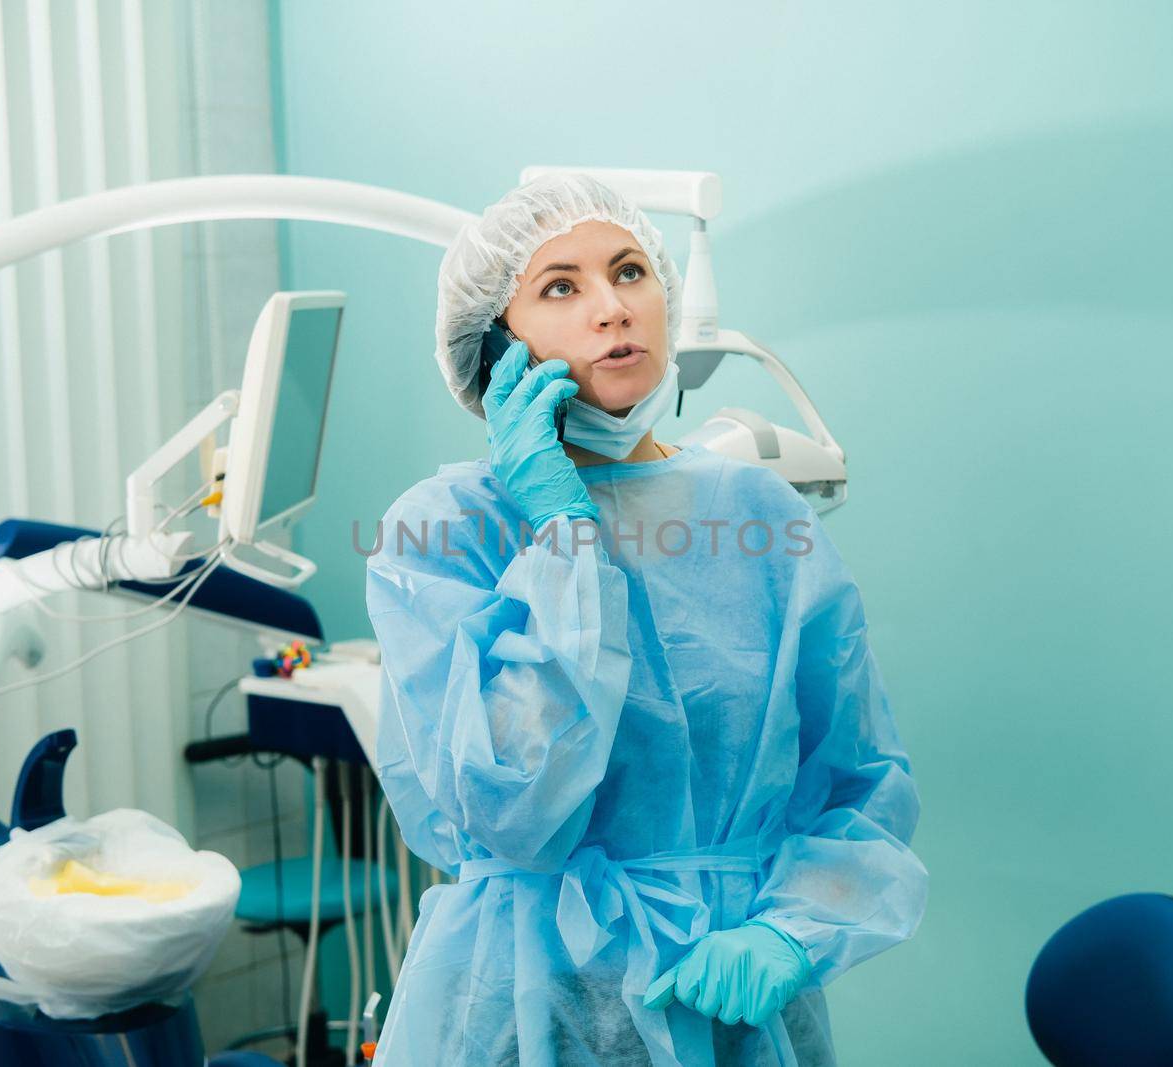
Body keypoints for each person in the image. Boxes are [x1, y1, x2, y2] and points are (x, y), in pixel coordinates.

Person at [364, 173, 927, 1066]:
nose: (612, 308)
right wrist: (562, 537)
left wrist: (792, 930)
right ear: (496, 345)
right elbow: (513, 805)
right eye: (561, 285)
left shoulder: (762, 514)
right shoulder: (444, 532)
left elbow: (857, 783)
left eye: (630, 272)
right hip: (529, 1006)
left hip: (735, 1013)